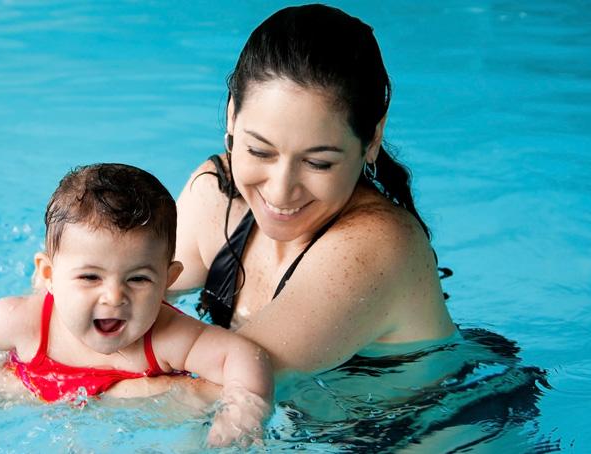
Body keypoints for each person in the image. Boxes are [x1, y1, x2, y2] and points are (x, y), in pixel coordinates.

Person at [0, 163, 272, 446]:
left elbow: (244, 353)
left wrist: (242, 411)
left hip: (98, 413)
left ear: (169, 279)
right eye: (90, 277)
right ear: (48, 276)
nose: (114, 297)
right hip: (36, 389)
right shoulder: (26, 322)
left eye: (139, 279)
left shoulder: (167, 337)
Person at [172, 3, 457, 374]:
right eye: (260, 150)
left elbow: (228, 388)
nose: (280, 190)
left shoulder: (376, 247)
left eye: (318, 163)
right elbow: (108, 301)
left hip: (432, 429)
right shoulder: (217, 195)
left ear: (372, 139)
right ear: (231, 115)